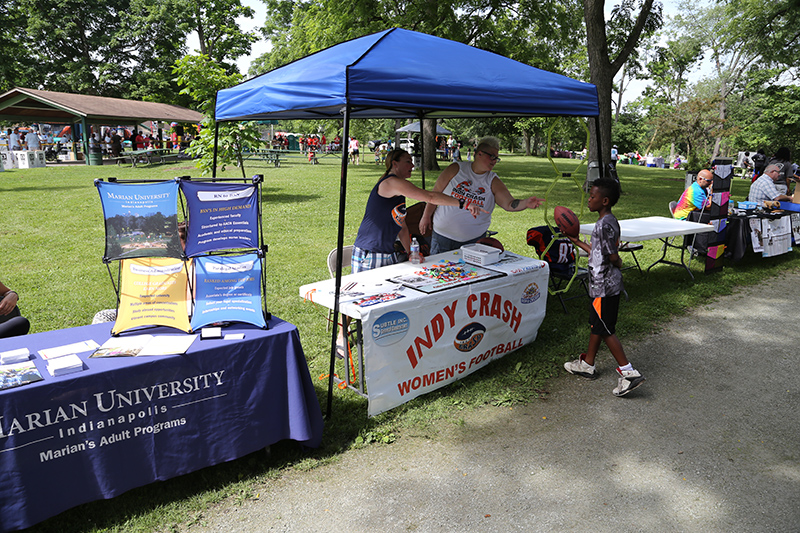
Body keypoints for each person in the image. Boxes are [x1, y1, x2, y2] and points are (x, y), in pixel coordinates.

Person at [563, 177, 645, 397]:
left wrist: (618, 263)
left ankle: (629, 373)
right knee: (597, 325)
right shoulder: (609, 221)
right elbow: (597, 252)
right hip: (605, 285)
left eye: (592, 197)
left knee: (606, 329)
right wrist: (576, 240)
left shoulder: (603, 225)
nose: (588, 200)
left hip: (603, 286)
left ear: (605, 200)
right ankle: (587, 364)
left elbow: (611, 256)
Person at [351, 149, 485, 273]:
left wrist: (411, 253)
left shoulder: (398, 192)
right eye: (408, 162)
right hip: (371, 252)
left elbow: (402, 227)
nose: (413, 166)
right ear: (394, 164)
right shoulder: (391, 183)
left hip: (387, 253)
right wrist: (464, 203)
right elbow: (430, 196)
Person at [419, 136, 544, 254]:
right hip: (442, 236)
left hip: (473, 240)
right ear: (479, 154)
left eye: (497, 158)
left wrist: (525, 203)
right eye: (492, 157)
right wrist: (426, 216)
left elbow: (509, 204)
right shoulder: (456, 169)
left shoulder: (492, 180)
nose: (495, 161)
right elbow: (435, 194)